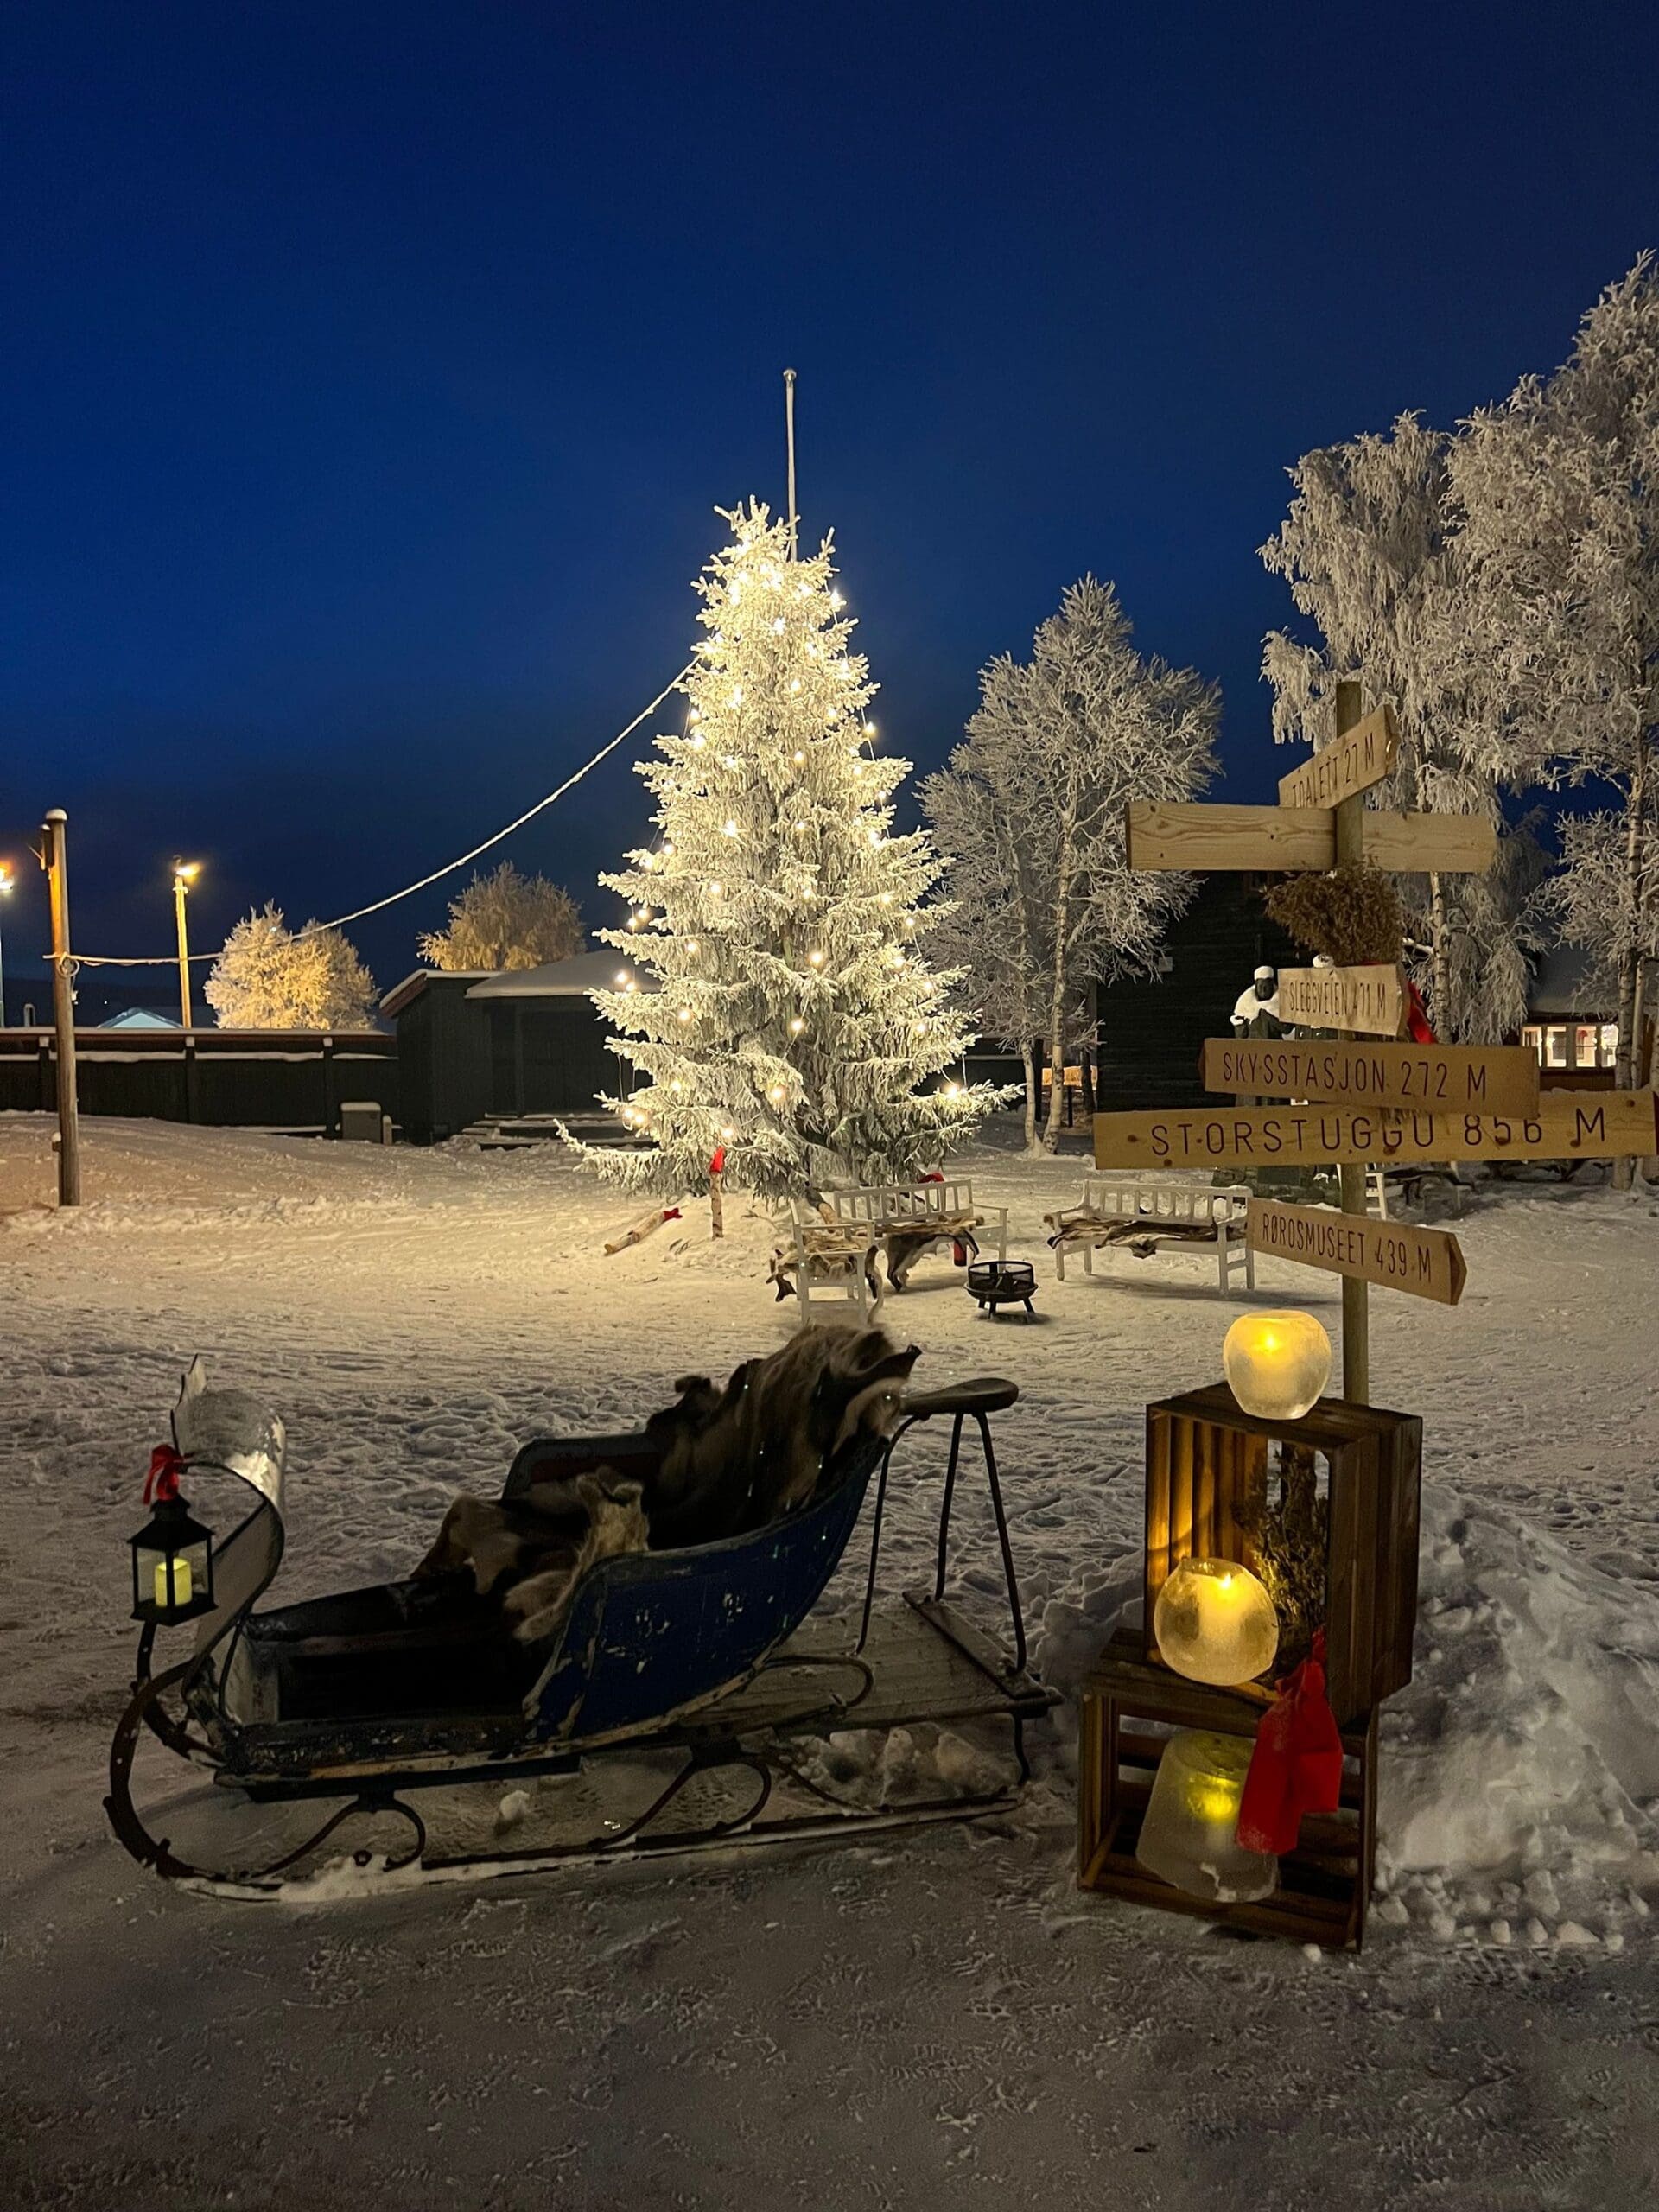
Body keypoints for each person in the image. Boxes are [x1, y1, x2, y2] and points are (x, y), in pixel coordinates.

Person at [1230, 965, 1281, 1037]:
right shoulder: (1246, 1004)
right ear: (1256, 986)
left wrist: (1265, 1014)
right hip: (1253, 1046)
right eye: (1260, 986)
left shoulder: (1279, 1002)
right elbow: (1240, 1037)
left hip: (1274, 1046)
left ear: (1272, 985)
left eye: (1266, 986)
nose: (1263, 990)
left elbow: (1286, 1029)